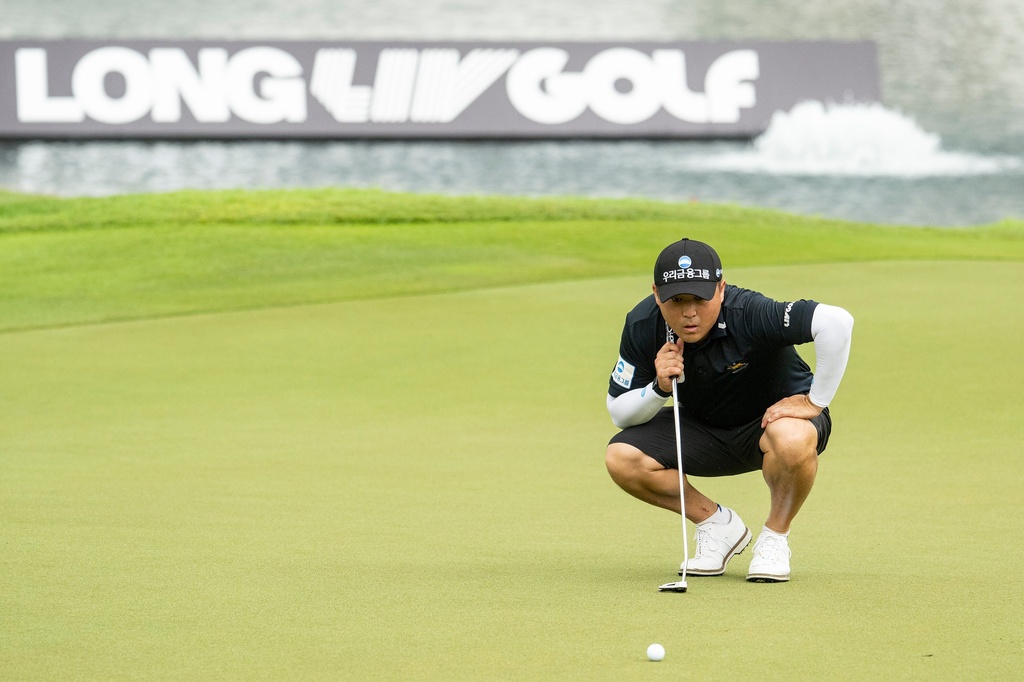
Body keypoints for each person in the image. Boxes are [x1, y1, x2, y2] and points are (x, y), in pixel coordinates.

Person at [604, 238, 853, 583]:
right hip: (705, 429)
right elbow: (619, 412)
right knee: (621, 457)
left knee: (792, 437)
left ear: (721, 289)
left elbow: (836, 322)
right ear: (657, 294)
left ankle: (775, 537)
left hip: (771, 426)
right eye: (677, 300)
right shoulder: (643, 324)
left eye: (700, 299)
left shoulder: (748, 311)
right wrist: (658, 388)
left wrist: (815, 401)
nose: (689, 312)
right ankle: (717, 525)